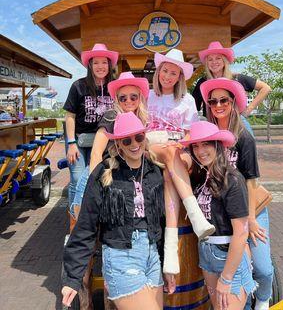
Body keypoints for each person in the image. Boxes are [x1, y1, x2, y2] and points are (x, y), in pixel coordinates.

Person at [62, 112, 165, 310]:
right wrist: (73, 278)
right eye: (127, 140)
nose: (134, 144)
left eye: (139, 137)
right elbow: (86, 225)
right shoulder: (104, 173)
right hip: (121, 257)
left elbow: (160, 222)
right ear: (118, 144)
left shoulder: (154, 172)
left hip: (152, 257)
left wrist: (167, 264)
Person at [201, 77, 273, 310]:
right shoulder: (208, 137)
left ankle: (263, 298)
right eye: (213, 101)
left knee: (262, 267)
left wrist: (251, 219)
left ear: (233, 102)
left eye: (224, 100)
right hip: (224, 213)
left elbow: (251, 182)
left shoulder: (244, 137)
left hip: (250, 208)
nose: (218, 105)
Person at [169, 120, 255, 309]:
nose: (201, 151)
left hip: (227, 255)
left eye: (206, 144)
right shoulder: (202, 177)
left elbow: (241, 233)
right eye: (196, 146)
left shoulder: (232, 179)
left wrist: (227, 278)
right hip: (207, 254)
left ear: (217, 145)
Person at [147, 48, 215, 278]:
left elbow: (190, 134)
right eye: (165, 70)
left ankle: (171, 250)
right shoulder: (147, 95)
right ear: (158, 72)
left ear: (180, 77)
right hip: (153, 146)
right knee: (168, 154)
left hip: (179, 148)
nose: (168, 76)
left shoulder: (187, 100)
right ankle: (196, 215)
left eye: (173, 73)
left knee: (170, 169)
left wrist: (180, 145)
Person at [72, 71, 149, 220]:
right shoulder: (111, 116)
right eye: (123, 98)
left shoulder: (142, 118)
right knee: (82, 219)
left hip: (121, 175)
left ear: (140, 98)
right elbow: (96, 153)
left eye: (133, 97)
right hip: (102, 171)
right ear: (117, 100)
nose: (128, 101)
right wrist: (93, 183)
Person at [63, 43, 118, 218]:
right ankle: (74, 221)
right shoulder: (78, 86)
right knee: (77, 179)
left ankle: (94, 218)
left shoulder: (114, 87)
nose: (100, 66)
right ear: (90, 65)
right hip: (78, 140)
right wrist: (71, 143)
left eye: (104, 62)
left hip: (104, 141)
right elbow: (69, 116)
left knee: (98, 178)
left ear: (109, 65)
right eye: (96, 63)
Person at [192, 41, 271, 119]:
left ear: (224, 61)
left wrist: (248, 110)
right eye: (210, 59)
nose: (214, 62)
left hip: (235, 125)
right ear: (207, 63)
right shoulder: (202, 83)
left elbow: (265, 88)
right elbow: (194, 107)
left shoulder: (237, 78)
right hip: (212, 126)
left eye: (218, 58)